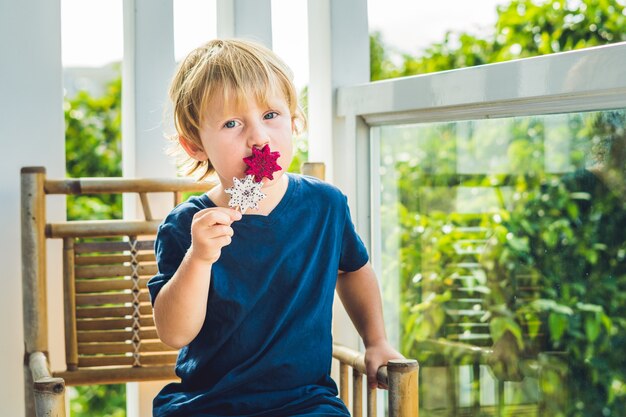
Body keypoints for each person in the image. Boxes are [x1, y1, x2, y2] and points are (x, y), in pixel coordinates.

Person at [147, 38, 403, 417]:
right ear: (195, 146)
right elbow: (174, 333)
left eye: (271, 115)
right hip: (211, 402)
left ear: (294, 120)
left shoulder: (324, 205)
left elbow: (353, 269)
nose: (259, 138)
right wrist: (199, 259)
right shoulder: (186, 226)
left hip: (306, 400)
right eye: (232, 123)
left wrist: (376, 340)